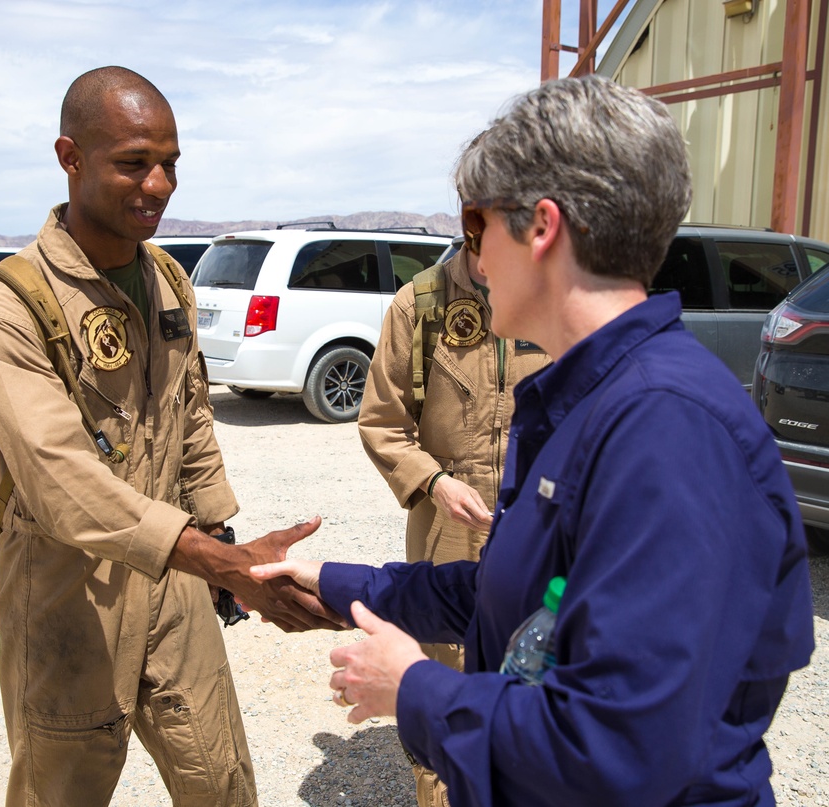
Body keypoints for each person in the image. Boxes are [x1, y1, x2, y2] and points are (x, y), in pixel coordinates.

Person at [253, 75, 815, 806]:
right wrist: (332, 582)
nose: (475, 256)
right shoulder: (590, 400)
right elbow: (512, 599)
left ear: (541, 228)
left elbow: (616, 747)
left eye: (482, 226)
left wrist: (414, 687)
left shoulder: (666, 429)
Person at [0, 66, 339, 807]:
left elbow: (187, 413)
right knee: (59, 792)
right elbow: (62, 483)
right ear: (70, 158)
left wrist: (220, 535)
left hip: (179, 585)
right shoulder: (4, 311)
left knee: (221, 782)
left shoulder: (167, 279)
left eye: (170, 164)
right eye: (134, 162)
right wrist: (217, 560)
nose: (158, 184)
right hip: (69, 598)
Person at [358, 233, 548, 805]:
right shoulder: (420, 305)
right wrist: (435, 483)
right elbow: (382, 423)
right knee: (445, 673)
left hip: (536, 526)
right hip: (446, 530)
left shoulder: (551, 297)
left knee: (531, 670)